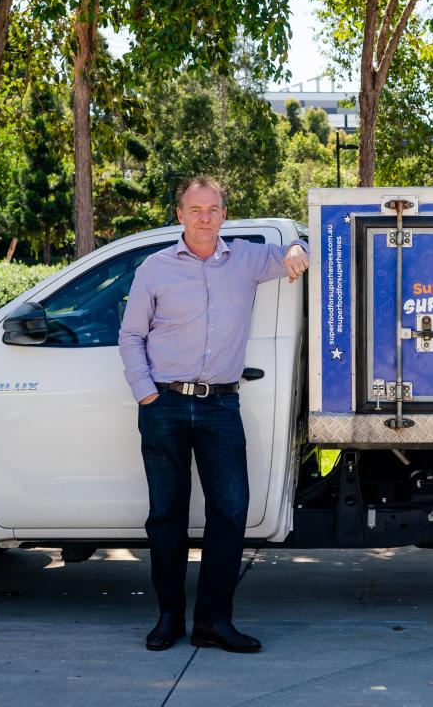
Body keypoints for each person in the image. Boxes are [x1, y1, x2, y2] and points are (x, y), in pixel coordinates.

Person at [119, 176, 308, 654]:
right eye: (195, 208)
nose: (204, 216)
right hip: (163, 404)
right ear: (179, 214)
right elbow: (130, 335)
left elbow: (299, 245)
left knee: (230, 511)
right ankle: (168, 618)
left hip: (222, 403)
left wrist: (293, 250)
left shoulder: (245, 258)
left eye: (213, 208)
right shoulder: (154, 269)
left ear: (225, 214)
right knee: (167, 515)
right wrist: (146, 394)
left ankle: (214, 621)